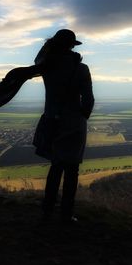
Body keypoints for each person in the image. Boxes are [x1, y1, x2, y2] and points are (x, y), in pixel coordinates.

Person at [32, 29, 94, 223]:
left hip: (53, 120)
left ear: (54, 44)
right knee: (72, 170)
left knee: (56, 166)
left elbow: (38, 59)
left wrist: (48, 44)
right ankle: (66, 214)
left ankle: (47, 211)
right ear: (72, 46)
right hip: (75, 122)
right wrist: (82, 116)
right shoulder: (81, 68)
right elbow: (89, 99)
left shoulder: (47, 66)